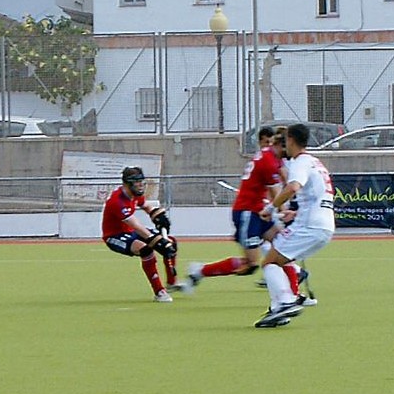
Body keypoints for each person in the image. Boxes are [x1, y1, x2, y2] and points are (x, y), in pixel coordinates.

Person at [180, 126, 287, 292]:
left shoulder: (273, 156)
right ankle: (200, 271)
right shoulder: (268, 161)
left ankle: (292, 290)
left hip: (259, 210)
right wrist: (284, 211)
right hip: (248, 213)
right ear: (282, 145)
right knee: (250, 264)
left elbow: (286, 178)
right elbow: (277, 192)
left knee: (284, 245)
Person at [255, 123, 335, 328]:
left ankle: (286, 302)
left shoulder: (300, 162)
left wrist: (272, 208)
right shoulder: (316, 162)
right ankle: (277, 310)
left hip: (310, 226)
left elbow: (292, 187)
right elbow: (319, 197)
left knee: (269, 262)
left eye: (285, 140)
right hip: (324, 225)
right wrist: (296, 212)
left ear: (290, 140)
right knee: (278, 260)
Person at [102, 167, 180, 302]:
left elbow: (146, 206)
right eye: (137, 182)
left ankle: (172, 282)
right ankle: (159, 292)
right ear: (127, 183)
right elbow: (137, 226)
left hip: (130, 232)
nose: (141, 185)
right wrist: (157, 241)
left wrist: (157, 215)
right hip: (114, 236)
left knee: (171, 242)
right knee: (145, 249)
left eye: (141, 181)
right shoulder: (117, 201)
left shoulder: (135, 195)